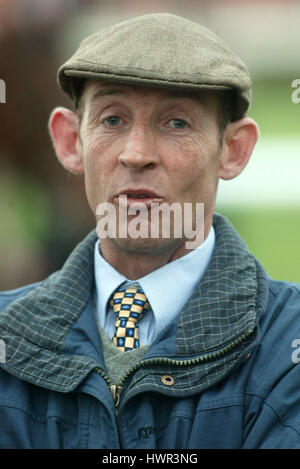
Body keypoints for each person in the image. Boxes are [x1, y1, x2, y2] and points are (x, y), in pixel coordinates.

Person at [0, 12, 300, 450]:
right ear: (70, 142)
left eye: (177, 123)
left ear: (233, 150)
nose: (136, 154)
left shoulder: (287, 344)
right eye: (112, 120)